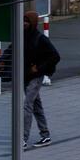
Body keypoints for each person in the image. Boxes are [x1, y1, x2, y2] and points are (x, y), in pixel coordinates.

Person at [20, 10, 58, 147]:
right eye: (23, 21)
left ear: (33, 23)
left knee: (27, 105)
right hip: (26, 75)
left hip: (36, 77)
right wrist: (0, 62)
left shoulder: (40, 39)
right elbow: (11, 50)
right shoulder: (22, 36)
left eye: (27, 21)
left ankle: (23, 138)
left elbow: (55, 56)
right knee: (36, 106)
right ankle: (45, 135)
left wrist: (39, 68)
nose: (24, 23)